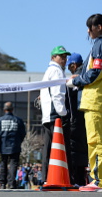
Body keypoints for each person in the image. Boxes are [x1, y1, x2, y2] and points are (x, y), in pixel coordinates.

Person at [67, 14, 102, 191]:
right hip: (96, 98)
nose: (88, 31)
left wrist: (77, 81)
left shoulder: (99, 45)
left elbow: (96, 72)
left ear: (99, 27)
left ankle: (98, 180)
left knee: (95, 141)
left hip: (94, 99)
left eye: (90, 27)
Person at [39, 45, 71, 183]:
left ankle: (46, 178)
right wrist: (63, 113)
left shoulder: (49, 71)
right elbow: (57, 94)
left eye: (65, 56)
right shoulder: (56, 71)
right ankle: (55, 178)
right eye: (61, 56)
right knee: (57, 147)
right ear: (53, 57)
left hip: (47, 114)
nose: (64, 59)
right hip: (55, 114)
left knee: (48, 147)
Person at [65, 53, 88, 186]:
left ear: (74, 65)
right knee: (83, 148)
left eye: (69, 66)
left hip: (76, 117)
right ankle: (82, 178)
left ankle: (76, 179)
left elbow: (72, 93)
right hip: (84, 116)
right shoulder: (84, 73)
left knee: (74, 148)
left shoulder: (77, 78)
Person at [0, 102, 26, 189]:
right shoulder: (18, 120)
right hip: (15, 145)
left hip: (3, 145)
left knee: (3, 163)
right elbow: (23, 133)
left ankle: (3, 183)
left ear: (4, 110)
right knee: (13, 164)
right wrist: (19, 141)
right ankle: (12, 183)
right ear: (12, 109)